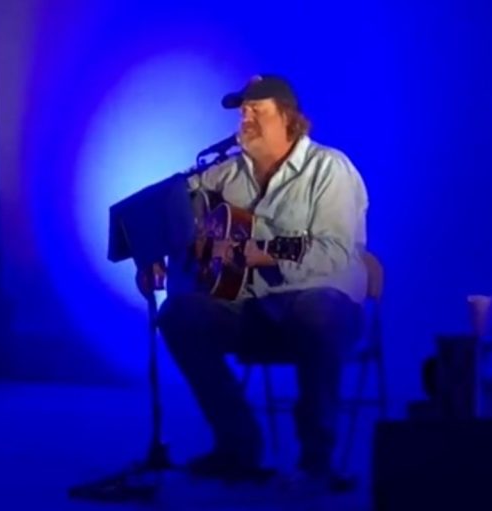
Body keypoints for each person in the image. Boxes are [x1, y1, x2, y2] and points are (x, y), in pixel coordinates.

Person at [137, 75, 369, 488]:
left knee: (316, 311)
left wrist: (261, 251)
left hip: (321, 310)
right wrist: (150, 251)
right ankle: (238, 444)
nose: (244, 118)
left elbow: (335, 253)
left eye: (256, 111)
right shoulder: (223, 173)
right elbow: (166, 208)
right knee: (179, 314)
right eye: (242, 111)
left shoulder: (330, 169)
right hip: (252, 312)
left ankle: (317, 460)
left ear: (289, 119)